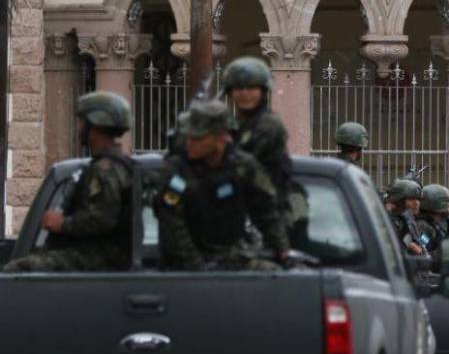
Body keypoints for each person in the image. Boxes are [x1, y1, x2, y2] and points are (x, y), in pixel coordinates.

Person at [4, 92, 135, 273]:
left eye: (83, 122)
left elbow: (103, 218)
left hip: (101, 257)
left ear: (95, 126)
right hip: (101, 254)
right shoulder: (110, 165)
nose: (80, 127)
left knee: (19, 270)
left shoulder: (106, 169)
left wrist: (62, 223)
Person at [155, 99, 290, 271]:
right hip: (185, 266)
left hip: (231, 256)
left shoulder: (242, 166)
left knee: (275, 276)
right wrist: (197, 269)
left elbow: (266, 209)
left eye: (197, 138)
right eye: (188, 136)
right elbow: (173, 225)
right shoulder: (177, 171)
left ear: (220, 139)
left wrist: (281, 248)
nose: (189, 142)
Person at [222, 57, 304, 226]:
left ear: (263, 91)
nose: (245, 94)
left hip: (268, 213)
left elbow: (242, 166)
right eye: (239, 88)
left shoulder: (268, 124)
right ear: (230, 92)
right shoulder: (239, 125)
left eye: (252, 88)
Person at [385, 177, 427, 255]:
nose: (417, 203)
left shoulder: (407, 216)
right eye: (411, 199)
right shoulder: (384, 218)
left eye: (418, 199)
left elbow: (419, 238)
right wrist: (409, 246)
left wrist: (421, 247)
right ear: (399, 199)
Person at [414, 183, 449, 255]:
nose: (444, 215)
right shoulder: (424, 228)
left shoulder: (433, 225)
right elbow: (421, 251)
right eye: (442, 214)